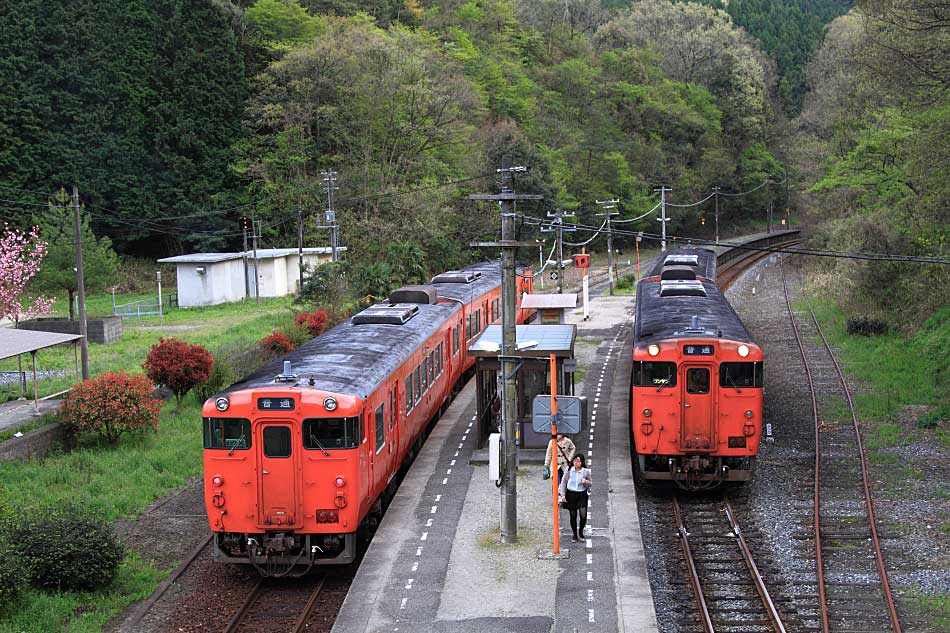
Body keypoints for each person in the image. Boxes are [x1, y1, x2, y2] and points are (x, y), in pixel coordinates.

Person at [559, 454, 592, 543]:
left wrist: (586, 482)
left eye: (578, 461)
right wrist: (563, 495)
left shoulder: (586, 472)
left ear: (582, 462)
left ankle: (581, 531)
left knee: (583, 515)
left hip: (582, 494)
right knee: (573, 515)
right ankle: (574, 534)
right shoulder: (569, 470)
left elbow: (590, 484)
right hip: (571, 494)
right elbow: (563, 482)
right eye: (575, 461)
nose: (576, 463)